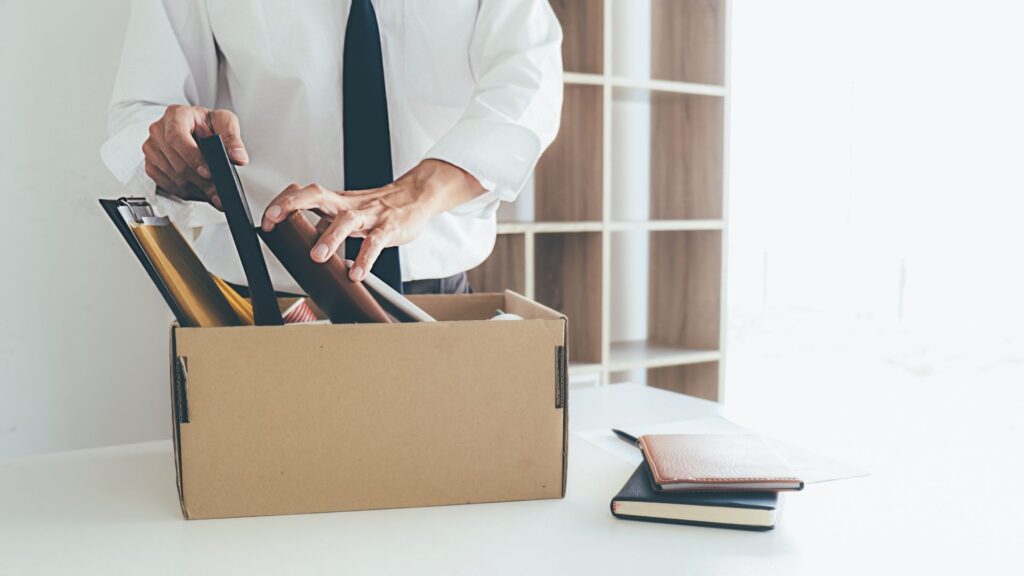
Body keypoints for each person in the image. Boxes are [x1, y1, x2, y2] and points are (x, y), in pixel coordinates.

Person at [102, 0, 563, 295]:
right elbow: (141, 111)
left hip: (434, 299)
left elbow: (530, 81)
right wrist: (178, 148)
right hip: (260, 301)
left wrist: (417, 193)